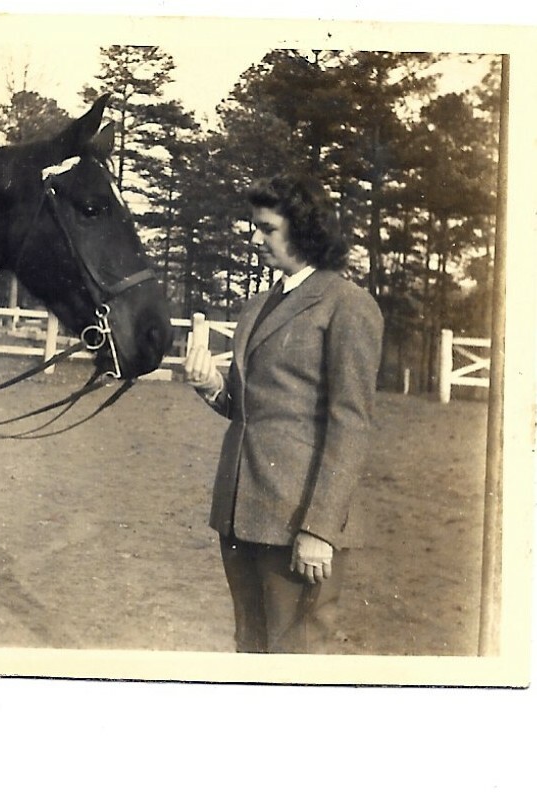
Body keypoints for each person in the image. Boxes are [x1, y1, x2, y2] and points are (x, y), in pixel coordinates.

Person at [183, 174, 383, 654]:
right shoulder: (259, 306)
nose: (256, 240)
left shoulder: (347, 306)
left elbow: (351, 425)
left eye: (267, 229)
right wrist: (211, 385)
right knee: (251, 649)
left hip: (296, 524)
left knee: (296, 658)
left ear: (304, 231)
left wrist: (319, 528)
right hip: (240, 515)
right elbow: (247, 408)